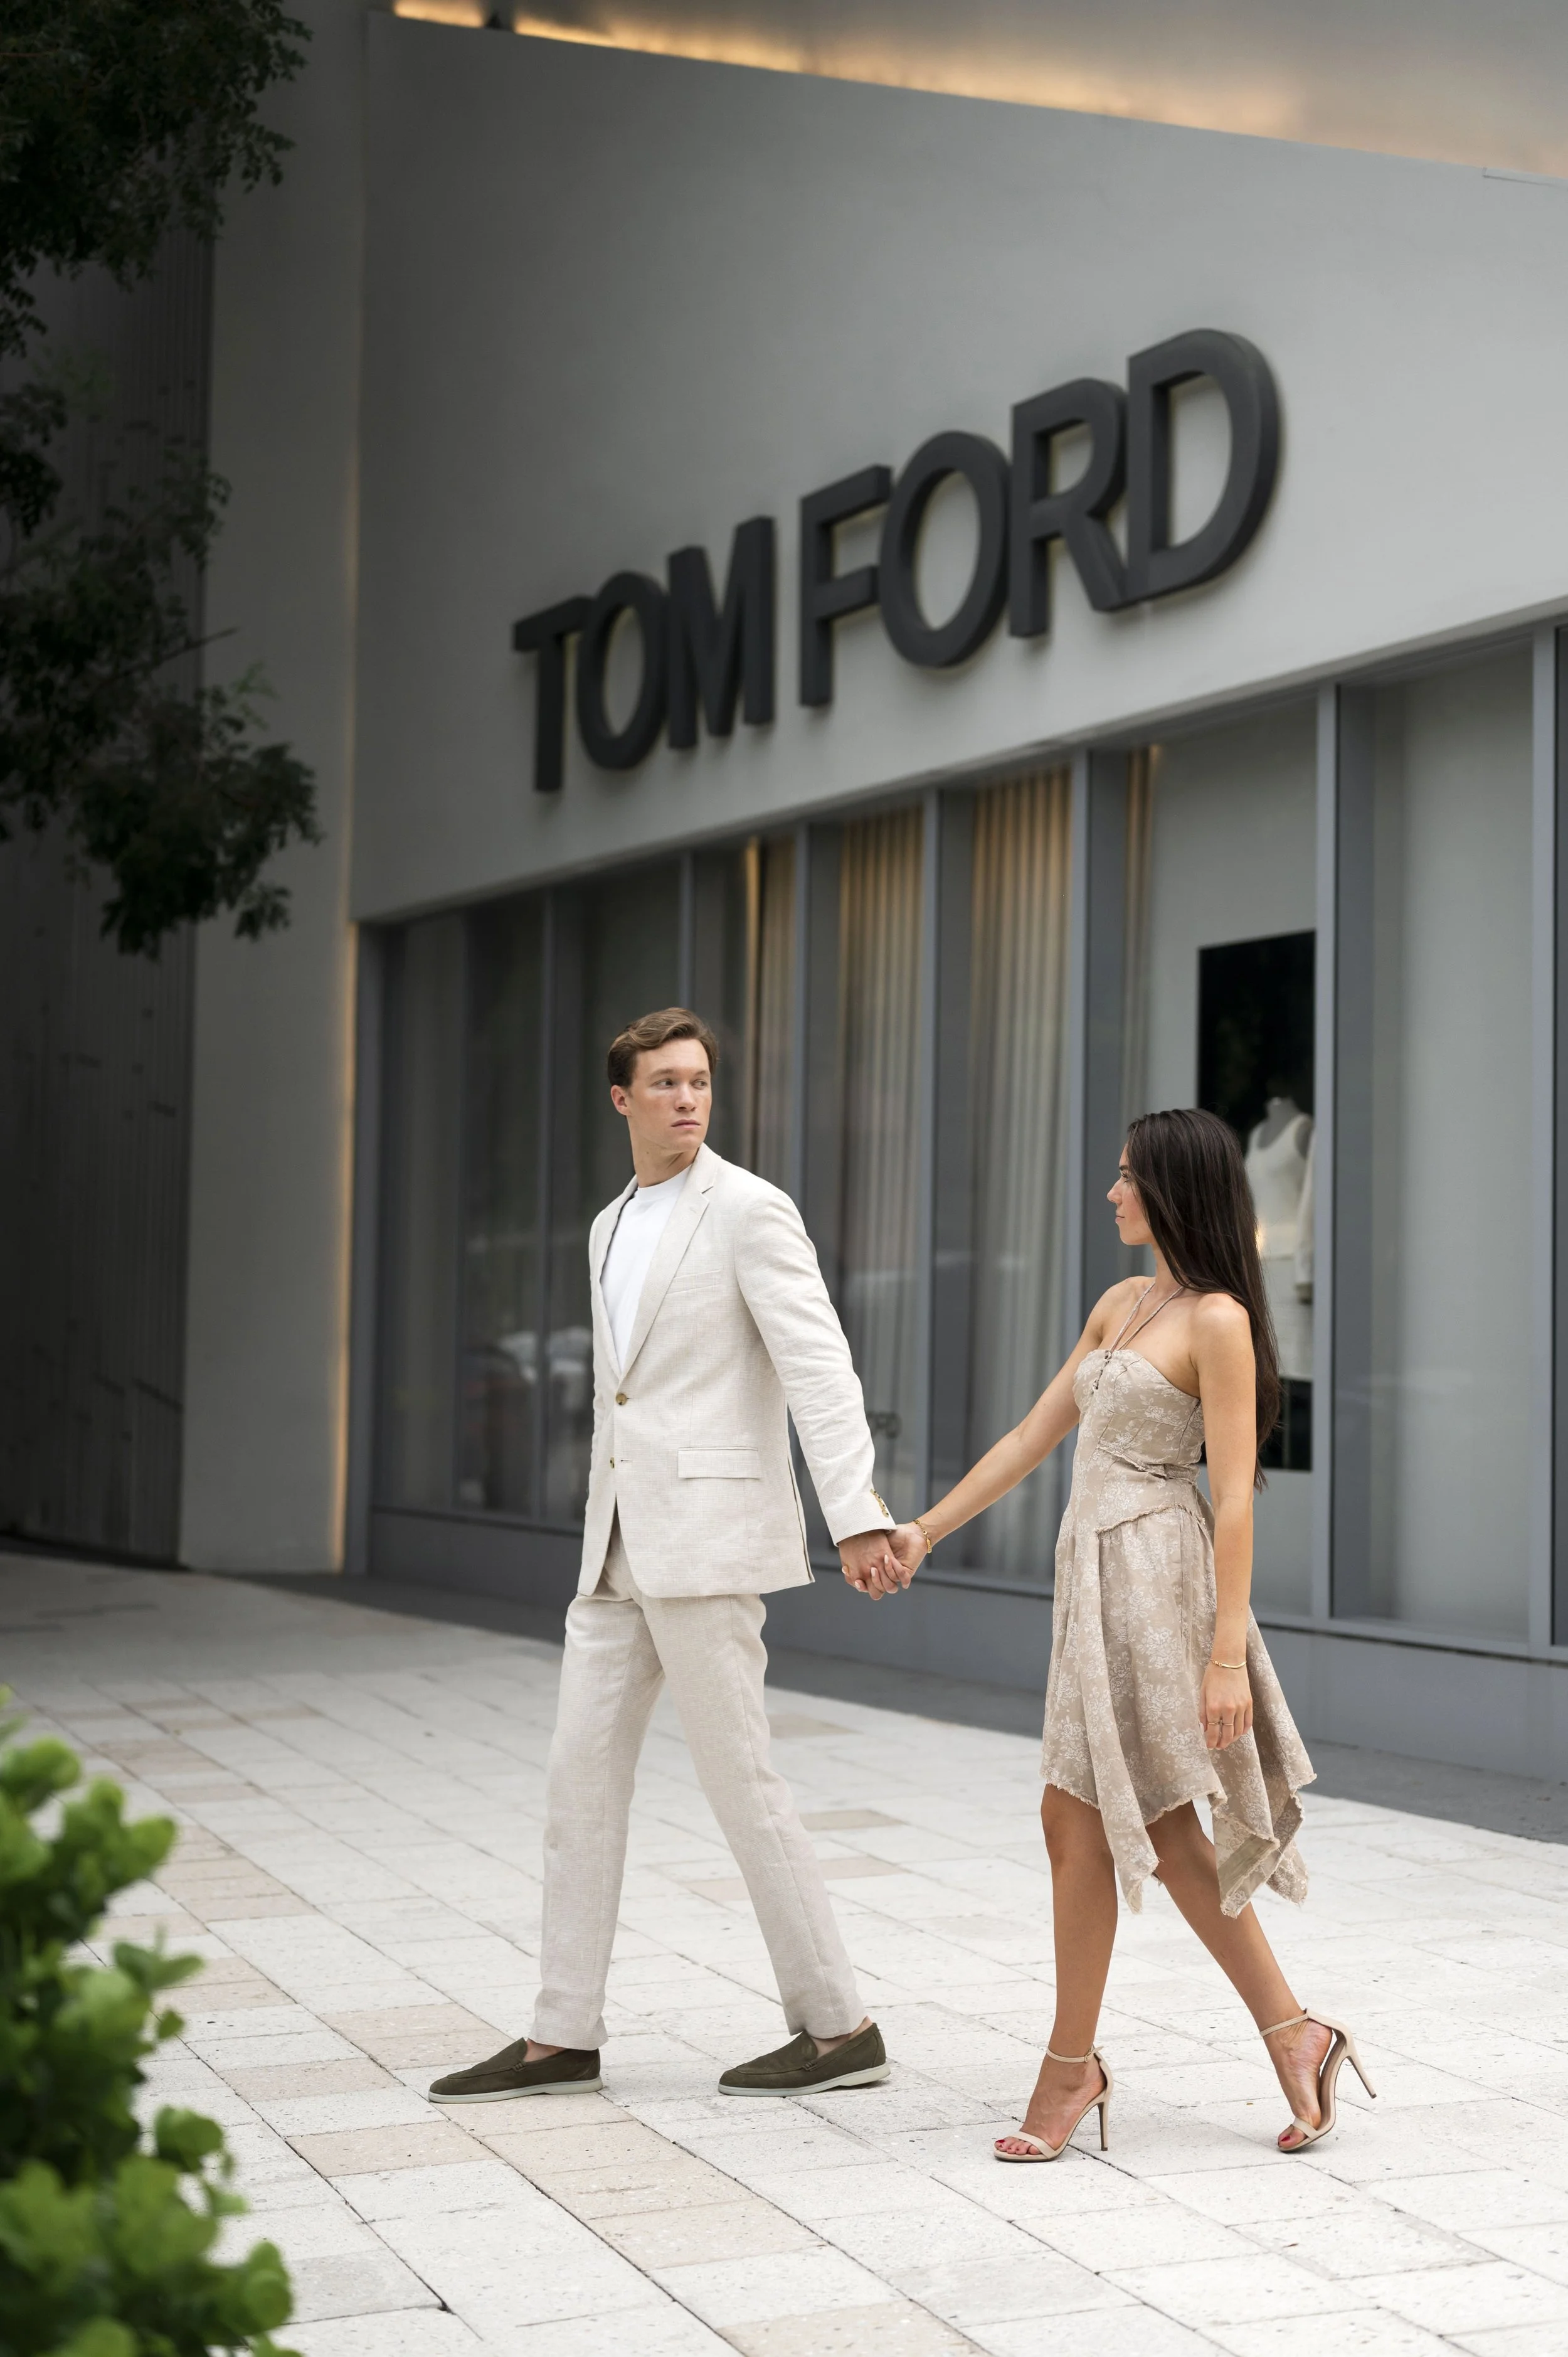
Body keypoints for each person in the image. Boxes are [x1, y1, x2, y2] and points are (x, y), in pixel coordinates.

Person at [431, 1006, 899, 2107]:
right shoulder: (607, 1226)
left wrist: (857, 1510)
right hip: (615, 1549)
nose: (688, 1098)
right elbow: (623, 1394)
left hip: (707, 1540)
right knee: (576, 1784)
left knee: (743, 1784)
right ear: (622, 1099)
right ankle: (562, 2033)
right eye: (667, 1083)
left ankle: (838, 2027)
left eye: (700, 1082)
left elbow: (819, 1368)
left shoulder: (749, 1211)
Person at [884, 1107, 1374, 2160]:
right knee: (1138, 1827)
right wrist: (922, 1530)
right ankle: (1296, 2034)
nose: (1110, 1195)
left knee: (1090, 1818)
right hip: (1091, 1579)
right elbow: (1030, 1436)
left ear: (1170, 1189)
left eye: (1125, 1179)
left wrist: (1226, 1654)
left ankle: (1075, 2067)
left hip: (1163, 1583)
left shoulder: (1220, 1322)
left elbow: (1236, 1495)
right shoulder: (1121, 1301)